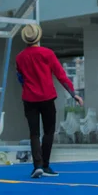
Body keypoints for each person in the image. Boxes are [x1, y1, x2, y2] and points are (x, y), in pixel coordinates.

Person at [15, 22, 82, 179]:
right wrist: (73, 94)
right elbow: (61, 75)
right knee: (48, 131)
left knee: (34, 133)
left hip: (29, 99)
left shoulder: (19, 57)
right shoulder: (47, 53)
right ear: (38, 37)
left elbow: (20, 78)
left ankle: (37, 166)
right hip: (47, 97)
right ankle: (45, 165)